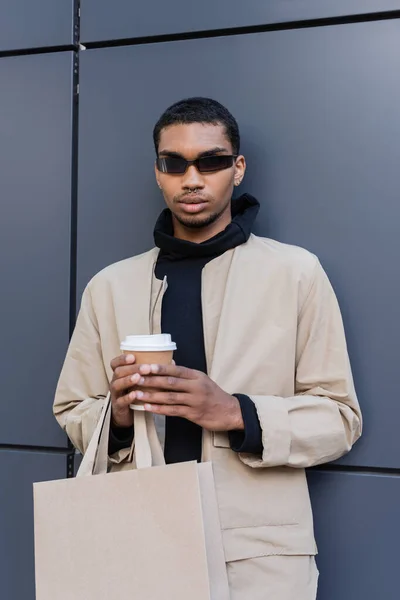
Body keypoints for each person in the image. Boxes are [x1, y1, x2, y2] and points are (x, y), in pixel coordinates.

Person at [54, 97, 362, 599]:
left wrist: (236, 412)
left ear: (237, 168)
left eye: (211, 161)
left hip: (256, 558)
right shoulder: (109, 286)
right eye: (174, 163)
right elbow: (71, 409)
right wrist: (121, 416)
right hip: (133, 543)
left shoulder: (296, 274)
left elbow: (340, 418)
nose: (191, 179)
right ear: (158, 172)